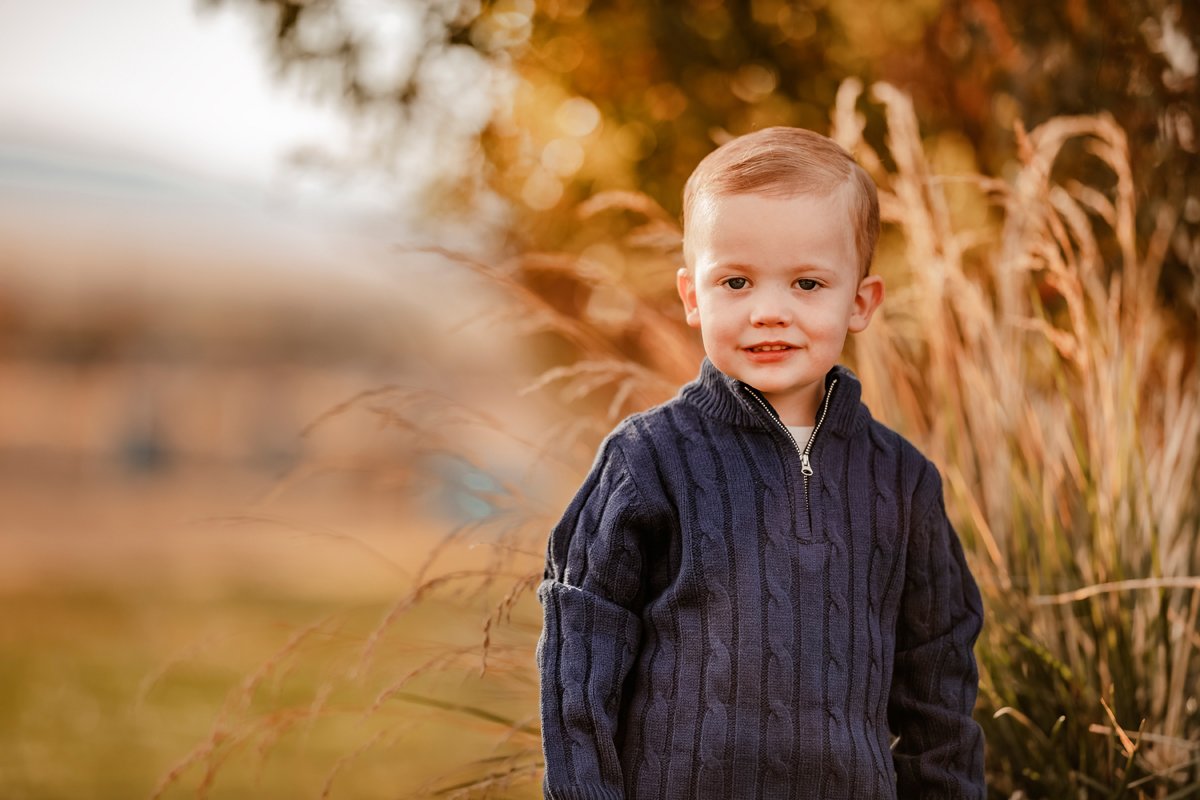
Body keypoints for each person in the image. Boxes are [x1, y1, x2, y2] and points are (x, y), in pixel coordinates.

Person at [535, 126, 985, 799]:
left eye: (807, 283)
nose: (769, 312)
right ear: (693, 296)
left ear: (860, 302)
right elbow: (581, 650)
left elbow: (938, 683)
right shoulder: (646, 461)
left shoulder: (902, 481)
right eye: (736, 281)